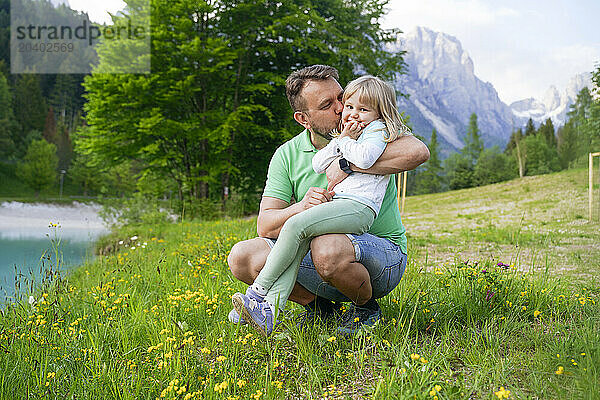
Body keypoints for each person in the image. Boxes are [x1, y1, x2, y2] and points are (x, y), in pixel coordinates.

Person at [227, 65, 429, 335]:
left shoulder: (370, 132)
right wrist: (302, 206)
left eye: (340, 98)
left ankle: (366, 308)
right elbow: (265, 225)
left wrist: (347, 165)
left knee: (326, 245)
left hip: (382, 256)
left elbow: (419, 152)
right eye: (327, 105)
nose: (342, 108)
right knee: (243, 256)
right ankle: (320, 310)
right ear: (303, 119)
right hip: (320, 253)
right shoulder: (287, 155)